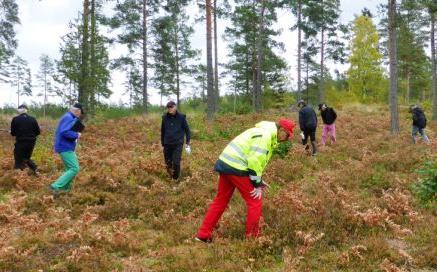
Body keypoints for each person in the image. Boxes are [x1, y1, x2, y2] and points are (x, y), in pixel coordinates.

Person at [195, 119, 295, 243]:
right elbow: (254, 162)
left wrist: (259, 181)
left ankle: (203, 234)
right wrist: (256, 183)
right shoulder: (265, 135)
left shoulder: (263, 131)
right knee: (255, 201)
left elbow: (255, 161)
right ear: (281, 130)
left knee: (220, 200)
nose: (286, 139)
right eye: (287, 135)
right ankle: (252, 239)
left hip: (226, 163)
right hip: (236, 167)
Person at [49, 103, 84, 197]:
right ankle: (56, 186)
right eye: (80, 113)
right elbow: (64, 132)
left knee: (69, 168)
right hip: (65, 147)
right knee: (74, 168)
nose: (80, 115)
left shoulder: (69, 117)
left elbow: (65, 130)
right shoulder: (68, 117)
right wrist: (77, 135)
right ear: (77, 111)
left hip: (66, 146)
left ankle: (65, 190)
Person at [161, 101, 191, 180]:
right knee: (168, 163)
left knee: (176, 162)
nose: (170, 108)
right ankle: (170, 176)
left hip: (178, 143)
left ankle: (175, 179)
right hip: (167, 143)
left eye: (171, 107)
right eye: (168, 107)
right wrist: (162, 144)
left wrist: (187, 142)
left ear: (175, 107)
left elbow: (187, 130)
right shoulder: (164, 118)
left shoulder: (181, 117)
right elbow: (163, 131)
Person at [10, 104, 40, 174]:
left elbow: (13, 133)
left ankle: (17, 175)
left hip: (21, 142)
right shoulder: (33, 119)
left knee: (18, 159)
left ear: (18, 110)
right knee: (26, 158)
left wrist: (16, 132)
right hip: (31, 142)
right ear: (27, 110)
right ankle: (35, 169)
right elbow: (38, 132)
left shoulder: (15, 119)